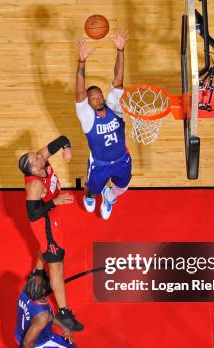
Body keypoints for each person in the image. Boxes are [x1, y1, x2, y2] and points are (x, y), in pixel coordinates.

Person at [17, 135, 83, 331]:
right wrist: (55, 201)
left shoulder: (39, 161)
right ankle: (64, 312)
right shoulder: (35, 186)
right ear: (35, 171)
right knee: (57, 265)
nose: (40, 155)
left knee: (45, 247)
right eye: (36, 159)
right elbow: (32, 214)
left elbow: (61, 139)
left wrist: (67, 147)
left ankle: (37, 272)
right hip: (44, 223)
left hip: (51, 217)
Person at [75, 29, 131, 220]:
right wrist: (82, 62)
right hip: (99, 164)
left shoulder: (114, 107)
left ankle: (109, 197)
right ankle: (92, 195)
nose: (97, 98)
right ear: (88, 102)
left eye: (99, 95)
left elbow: (118, 80)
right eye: (93, 98)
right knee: (91, 194)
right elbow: (80, 92)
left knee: (122, 187)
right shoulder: (87, 117)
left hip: (122, 159)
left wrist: (120, 50)